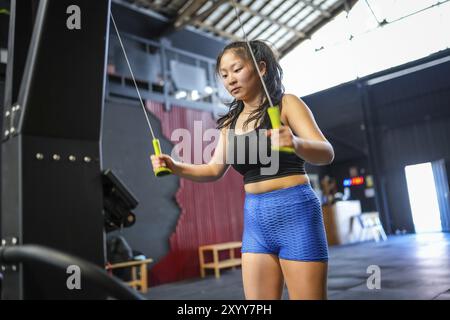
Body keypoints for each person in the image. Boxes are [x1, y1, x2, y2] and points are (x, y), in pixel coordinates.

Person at [151, 40, 334, 300]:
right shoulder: (229, 124)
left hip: (296, 212)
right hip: (256, 219)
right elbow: (214, 169)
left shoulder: (288, 104)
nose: (230, 80)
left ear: (261, 68)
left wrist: (295, 142)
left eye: (237, 69)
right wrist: (175, 166)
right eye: (224, 75)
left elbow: (326, 152)